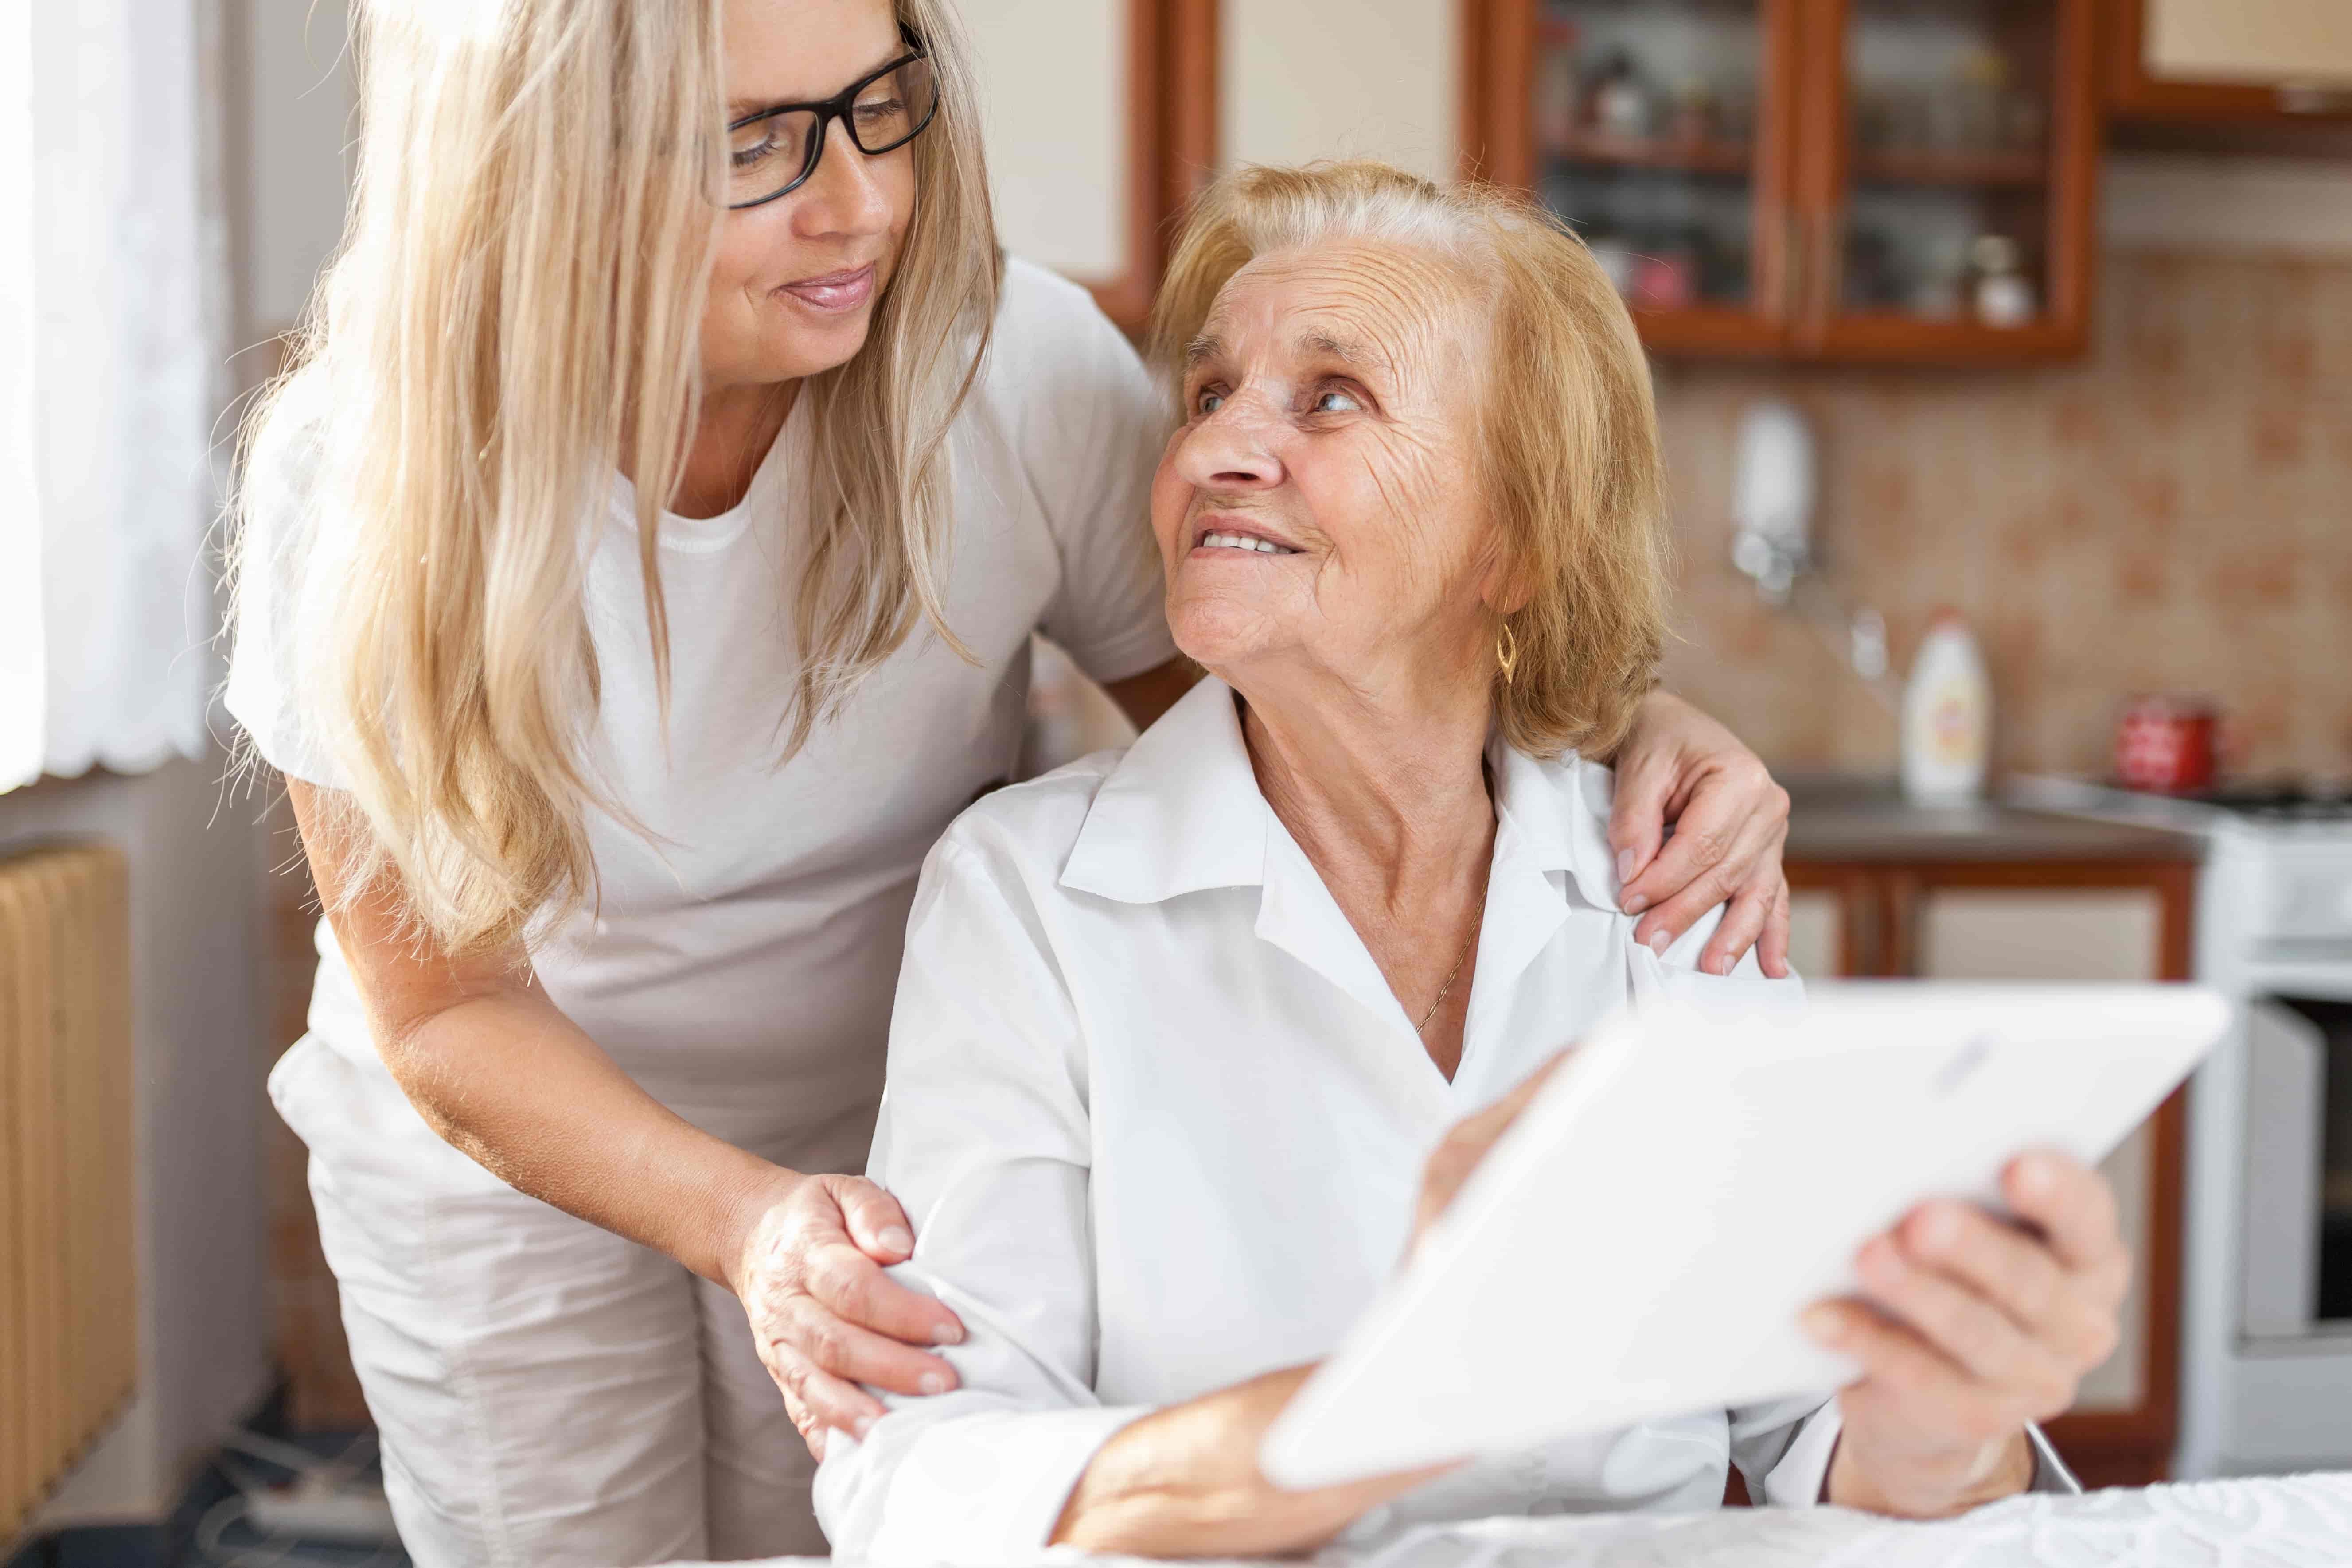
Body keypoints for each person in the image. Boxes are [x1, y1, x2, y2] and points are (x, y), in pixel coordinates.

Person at [226, 3, 1798, 1562]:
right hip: (519, 1129)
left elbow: (1319, 651)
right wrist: (741, 1220)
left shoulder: (1004, 370)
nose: (859, 203)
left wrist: (1615, 715)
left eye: (875, 105)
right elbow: (444, 1006)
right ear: (547, 175)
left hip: (882, 1112)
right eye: (754, 144)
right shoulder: (364, 476)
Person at [813, 163, 2126, 1562]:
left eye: (1329, 397)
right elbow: (932, 1470)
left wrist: (1948, 1408)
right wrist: (1415, 1385)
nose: (1211, 451)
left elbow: (1821, 1441)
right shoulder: (1025, 897)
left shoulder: (1669, 881)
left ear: (1514, 538)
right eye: (1208, 396)